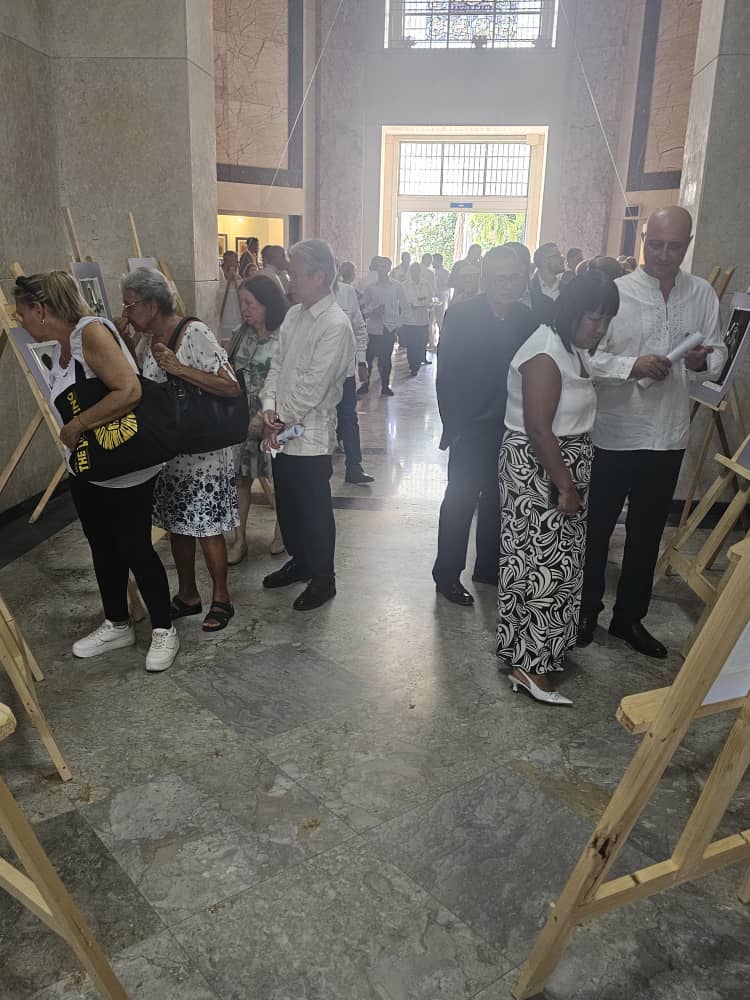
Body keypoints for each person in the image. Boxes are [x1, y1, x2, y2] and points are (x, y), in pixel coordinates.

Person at [578, 206, 726, 657]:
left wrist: (702, 362)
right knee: (597, 530)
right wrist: (633, 365)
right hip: (614, 433)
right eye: (655, 244)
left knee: (645, 535)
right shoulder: (617, 293)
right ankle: (584, 613)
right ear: (644, 240)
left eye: (674, 246)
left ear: (687, 244)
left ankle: (629, 619)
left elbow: (719, 353)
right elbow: (586, 358)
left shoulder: (701, 293)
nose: (663, 254)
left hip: (667, 435)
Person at [13, 271, 179, 672]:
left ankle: (163, 627)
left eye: (21, 312)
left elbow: (130, 389)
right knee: (102, 547)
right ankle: (117, 622)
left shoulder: (90, 333)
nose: (18, 320)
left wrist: (77, 424)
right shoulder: (65, 344)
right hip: (89, 467)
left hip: (122, 465)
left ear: (40, 309)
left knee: (135, 546)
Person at [498, 271, 620, 706]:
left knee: (538, 562)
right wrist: (566, 486)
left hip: (555, 464)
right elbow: (537, 427)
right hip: (542, 468)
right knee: (546, 567)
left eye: (607, 320)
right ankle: (533, 668)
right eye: (593, 318)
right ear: (571, 311)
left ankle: (523, 652)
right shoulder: (546, 352)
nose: (600, 328)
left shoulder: (569, 346)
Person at [122, 267, 241, 633]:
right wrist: (125, 344)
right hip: (170, 451)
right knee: (178, 526)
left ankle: (221, 597)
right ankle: (188, 594)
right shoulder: (147, 340)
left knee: (207, 528)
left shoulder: (194, 333)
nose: (126, 312)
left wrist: (179, 369)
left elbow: (230, 385)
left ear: (151, 305)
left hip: (203, 452)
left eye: (129, 305)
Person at [433, 245, 538, 605]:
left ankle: (489, 567)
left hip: (512, 424)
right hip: (471, 425)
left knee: (499, 498)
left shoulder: (526, 318)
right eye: (499, 278)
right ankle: (447, 574)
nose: (507, 285)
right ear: (485, 279)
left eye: (514, 278)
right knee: (460, 500)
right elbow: (446, 375)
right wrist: (454, 426)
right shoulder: (462, 314)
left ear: (524, 278)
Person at [261, 239, 354, 611]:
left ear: (318, 276)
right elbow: (277, 366)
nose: (290, 281)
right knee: (288, 506)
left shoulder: (336, 324)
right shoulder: (294, 315)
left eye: (295, 274)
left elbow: (314, 386)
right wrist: (269, 408)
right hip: (282, 429)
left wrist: (278, 419)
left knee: (314, 510)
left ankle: (323, 578)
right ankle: (300, 562)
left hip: (311, 434)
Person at [225, 274, 289, 565]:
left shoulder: (285, 336)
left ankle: (282, 531)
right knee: (241, 478)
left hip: (274, 420)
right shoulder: (241, 334)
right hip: (243, 419)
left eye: (249, 303)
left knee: (278, 479)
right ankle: (239, 540)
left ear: (267, 304)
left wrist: (269, 418)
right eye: (241, 303)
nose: (244, 309)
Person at [334, 263, 375, 485]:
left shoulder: (347, 292)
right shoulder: (305, 296)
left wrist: (362, 361)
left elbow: (359, 328)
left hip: (345, 370)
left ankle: (354, 466)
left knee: (349, 416)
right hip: (315, 374)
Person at [359, 256, 408, 397]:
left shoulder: (397, 286)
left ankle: (385, 386)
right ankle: (365, 385)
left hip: (389, 327)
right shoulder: (371, 287)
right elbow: (362, 306)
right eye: (379, 266)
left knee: (385, 359)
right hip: (373, 327)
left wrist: (398, 324)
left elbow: (405, 307)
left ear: (389, 268)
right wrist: (371, 312)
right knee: (368, 357)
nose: (381, 269)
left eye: (384, 266)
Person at [401, 260, 434, 375]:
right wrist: (419, 301)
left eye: (417, 271)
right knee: (411, 345)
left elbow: (430, 298)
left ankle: (419, 361)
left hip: (423, 320)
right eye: (413, 271)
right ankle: (413, 367)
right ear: (410, 272)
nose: (416, 273)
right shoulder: (405, 285)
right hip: (409, 321)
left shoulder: (426, 284)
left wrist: (421, 302)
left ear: (420, 272)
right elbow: (405, 301)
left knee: (422, 342)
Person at [529, 242, 565, 325]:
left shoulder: (567, 288)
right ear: (544, 261)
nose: (563, 259)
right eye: (557, 255)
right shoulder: (529, 288)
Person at [217, 250, 242, 345]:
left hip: (234, 316)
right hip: (221, 314)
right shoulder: (218, 274)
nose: (235, 264)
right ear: (225, 261)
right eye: (232, 261)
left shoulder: (238, 276)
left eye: (236, 262)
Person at [433, 252, 451, 332]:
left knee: (440, 318)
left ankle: (442, 335)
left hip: (441, 296)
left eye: (434, 261)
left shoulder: (445, 272)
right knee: (432, 319)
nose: (432, 263)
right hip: (434, 297)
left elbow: (447, 286)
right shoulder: (433, 272)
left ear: (439, 261)